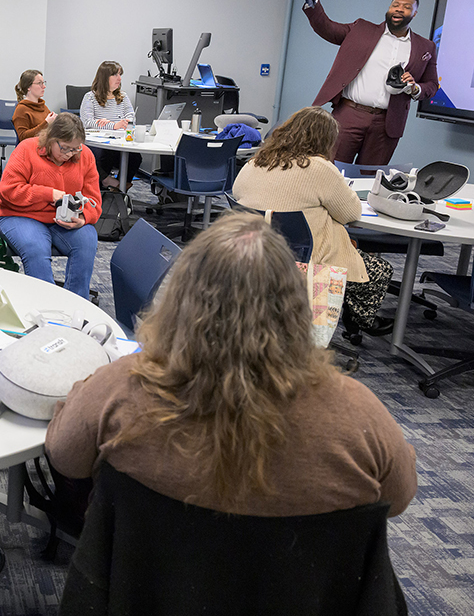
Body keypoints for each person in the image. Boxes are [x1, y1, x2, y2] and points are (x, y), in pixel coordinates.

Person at [46, 212, 417, 521]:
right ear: (295, 308)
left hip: (147, 583)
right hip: (300, 588)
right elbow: (398, 498)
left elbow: (64, 456)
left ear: (181, 300)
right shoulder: (356, 413)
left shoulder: (120, 388)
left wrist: (79, 391)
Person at [233, 106, 394, 332]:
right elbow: (351, 213)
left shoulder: (256, 162)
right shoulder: (320, 168)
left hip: (253, 254)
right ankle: (358, 321)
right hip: (306, 264)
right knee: (379, 271)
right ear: (326, 141)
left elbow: (237, 194)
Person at [300, 0, 438, 165]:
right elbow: (327, 28)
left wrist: (414, 88)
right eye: (395, 5)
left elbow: (432, 85)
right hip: (348, 115)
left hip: (387, 124)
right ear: (389, 9)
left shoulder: (425, 47)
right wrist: (313, 3)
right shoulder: (361, 29)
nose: (399, 9)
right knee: (331, 169)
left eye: (406, 7)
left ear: (415, 13)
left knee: (369, 177)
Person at [0, 112, 101, 299]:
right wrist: (48, 194)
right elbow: (8, 191)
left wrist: (83, 217)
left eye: (75, 149)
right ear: (51, 139)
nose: (69, 154)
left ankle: (77, 304)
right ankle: (46, 306)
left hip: (62, 220)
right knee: (36, 248)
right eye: (65, 148)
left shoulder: (85, 156)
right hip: (19, 215)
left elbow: (94, 200)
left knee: (87, 241)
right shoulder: (27, 149)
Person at [79, 60, 141, 193]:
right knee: (104, 155)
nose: (119, 78)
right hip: (97, 143)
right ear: (104, 77)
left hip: (119, 140)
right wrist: (114, 125)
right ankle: (105, 185)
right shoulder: (90, 97)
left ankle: (120, 187)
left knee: (135, 157)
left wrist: (121, 123)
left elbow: (131, 117)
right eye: (115, 75)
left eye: (120, 75)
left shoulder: (123, 96)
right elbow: (87, 122)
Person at [11, 69, 57, 140]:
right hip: (33, 146)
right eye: (39, 83)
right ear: (28, 87)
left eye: (43, 83)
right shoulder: (21, 109)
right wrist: (46, 123)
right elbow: (23, 137)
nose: (44, 86)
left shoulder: (43, 107)